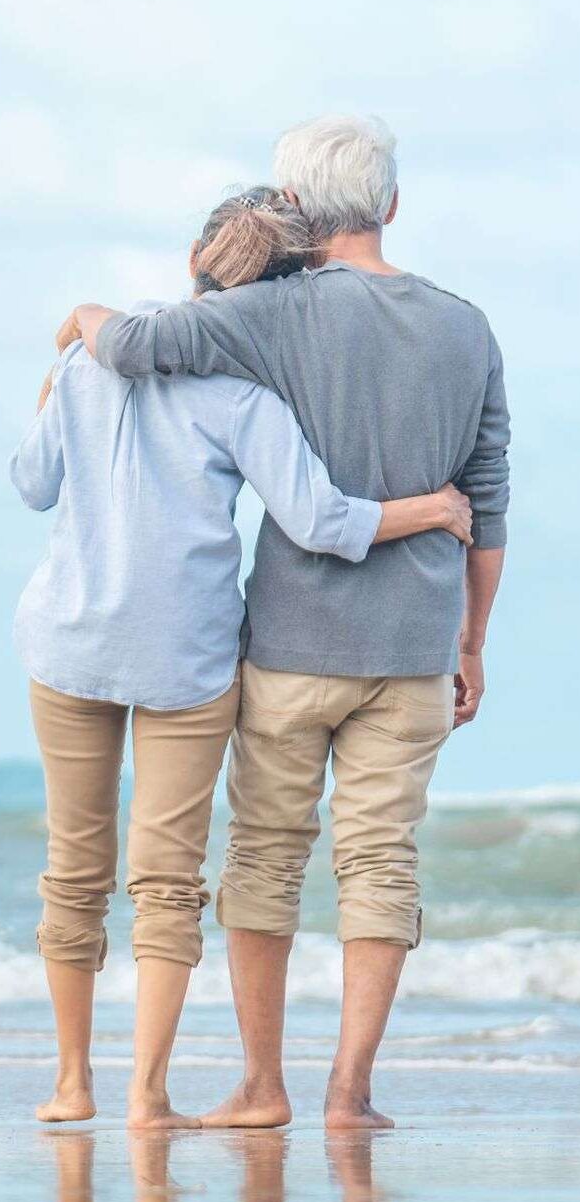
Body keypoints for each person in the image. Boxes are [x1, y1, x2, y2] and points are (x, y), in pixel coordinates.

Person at [61, 114, 510, 1129]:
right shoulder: (467, 327)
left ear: (297, 210)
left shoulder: (268, 313)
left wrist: (83, 313)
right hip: (414, 643)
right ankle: (350, 1092)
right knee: (381, 860)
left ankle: (263, 1087)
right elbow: (486, 500)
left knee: (265, 855)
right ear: (390, 203)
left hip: (293, 641)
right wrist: (471, 641)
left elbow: (130, 345)